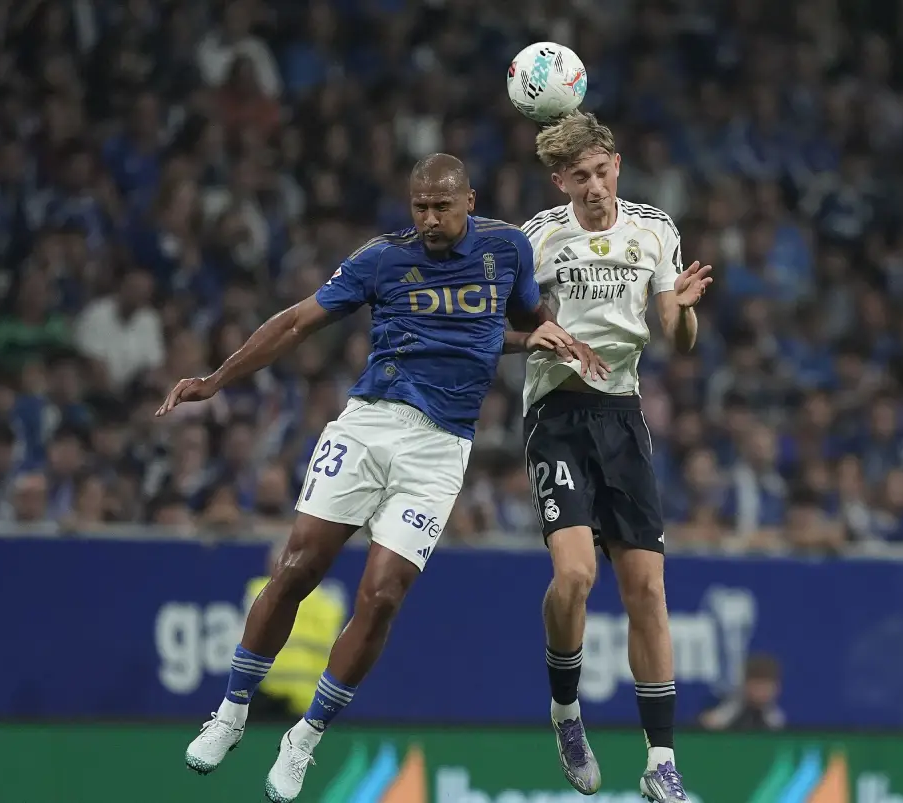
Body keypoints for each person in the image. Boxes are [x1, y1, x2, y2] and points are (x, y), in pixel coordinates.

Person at [159, 153, 606, 803]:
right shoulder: (380, 260)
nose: (428, 218)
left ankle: (304, 738)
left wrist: (540, 338)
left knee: (383, 595)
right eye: (419, 206)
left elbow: (512, 321)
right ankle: (230, 713)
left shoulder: (508, 250)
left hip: (441, 449)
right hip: (369, 425)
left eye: (441, 206)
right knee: (297, 566)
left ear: (469, 201)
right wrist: (216, 379)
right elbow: (294, 322)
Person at [519, 113, 711, 803]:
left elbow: (675, 334)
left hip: (622, 420)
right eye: (580, 177)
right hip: (558, 418)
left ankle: (661, 760)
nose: (595, 187)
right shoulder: (536, 239)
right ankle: (566, 709)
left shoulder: (653, 229)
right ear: (561, 181)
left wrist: (685, 310)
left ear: (617, 166)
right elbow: (504, 324)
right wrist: (536, 337)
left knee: (648, 592)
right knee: (574, 577)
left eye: (603, 172)